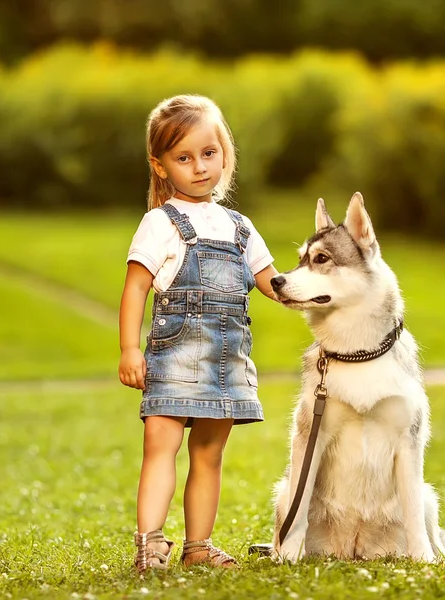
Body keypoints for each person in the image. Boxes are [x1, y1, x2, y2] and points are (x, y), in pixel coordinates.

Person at [118, 94, 279, 572]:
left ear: (224, 152)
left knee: (208, 455)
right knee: (160, 449)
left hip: (226, 361)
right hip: (173, 358)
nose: (199, 167)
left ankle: (198, 547)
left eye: (208, 153)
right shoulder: (160, 222)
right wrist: (130, 348)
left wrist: (316, 291)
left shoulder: (240, 226)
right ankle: (150, 546)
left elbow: (272, 281)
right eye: (183, 158)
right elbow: (135, 289)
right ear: (161, 165)